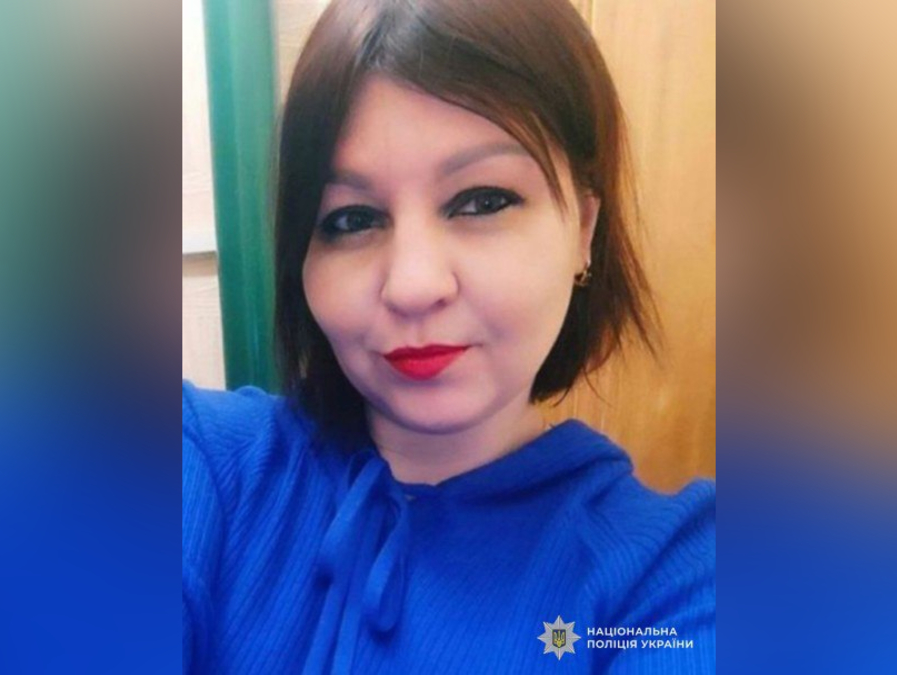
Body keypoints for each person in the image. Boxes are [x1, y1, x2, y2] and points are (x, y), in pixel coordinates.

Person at [182, 0, 714, 671]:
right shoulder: (205, 466)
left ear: (583, 229)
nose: (413, 285)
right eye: (351, 219)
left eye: (483, 201)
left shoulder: (671, 582)